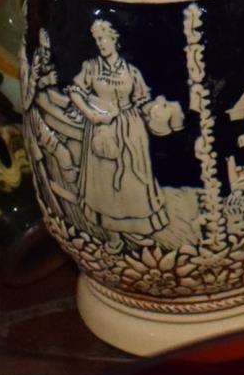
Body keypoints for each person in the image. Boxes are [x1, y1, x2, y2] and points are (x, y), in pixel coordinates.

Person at [66, 19, 171, 238]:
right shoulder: (91, 68)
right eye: (97, 40)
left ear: (115, 39)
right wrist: (91, 114)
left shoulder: (130, 71)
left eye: (104, 39)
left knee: (134, 173)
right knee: (105, 173)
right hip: (102, 127)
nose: (101, 44)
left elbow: (142, 100)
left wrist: (157, 112)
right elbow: (75, 92)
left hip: (130, 127)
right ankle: (108, 229)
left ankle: (138, 227)